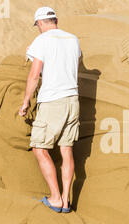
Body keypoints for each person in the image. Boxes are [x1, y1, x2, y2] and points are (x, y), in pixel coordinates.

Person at [19, 7, 82, 213]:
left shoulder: (42, 41)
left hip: (52, 101)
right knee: (66, 149)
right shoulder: (73, 39)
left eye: (37, 26)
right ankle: (65, 200)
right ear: (55, 20)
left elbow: (34, 75)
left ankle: (55, 198)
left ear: (40, 23)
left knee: (39, 148)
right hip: (73, 100)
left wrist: (26, 101)